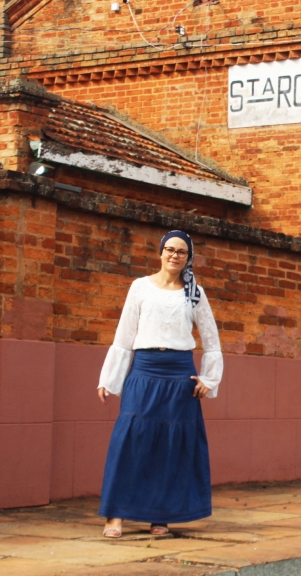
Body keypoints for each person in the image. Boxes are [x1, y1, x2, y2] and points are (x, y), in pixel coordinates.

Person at [96, 230, 223, 538]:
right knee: (130, 440)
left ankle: (160, 517)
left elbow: (211, 340)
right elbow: (125, 335)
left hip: (179, 375)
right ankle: (115, 516)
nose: (174, 255)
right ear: (160, 252)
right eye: (169, 249)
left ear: (188, 257)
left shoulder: (194, 293)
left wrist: (209, 379)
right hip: (143, 371)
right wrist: (109, 379)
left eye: (181, 251)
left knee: (170, 448)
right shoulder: (140, 287)